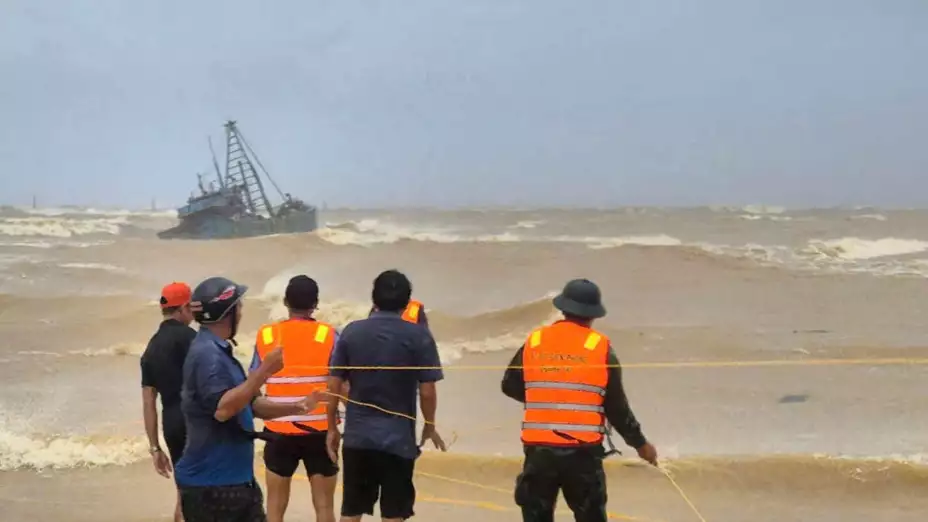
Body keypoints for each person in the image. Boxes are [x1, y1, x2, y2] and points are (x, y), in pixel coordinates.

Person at [500, 278, 659, 522]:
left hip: (539, 452)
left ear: (562, 308)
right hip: (582, 455)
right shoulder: (600, 347)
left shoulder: (536, 340)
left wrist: (548, 398)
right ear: (593, 314)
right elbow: (616, 407)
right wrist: (640, 444)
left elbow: (509, 385)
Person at [174, 276, 323, 522]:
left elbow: (250, 404)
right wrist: (265, 371)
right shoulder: (207, 355)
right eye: (238, 307)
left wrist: (298, 406)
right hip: (213, 485)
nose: (242, 312)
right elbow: (223, 409)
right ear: (226, 312)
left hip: (234, 479)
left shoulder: (218, 350)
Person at [326, 269, 447, 522]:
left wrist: (331, 429)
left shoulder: (351, 332)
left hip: (358, 437)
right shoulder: (419, 335)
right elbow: (427, 390)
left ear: (374, 299)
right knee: (394, 513)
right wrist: (430, 425)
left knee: (351, 511)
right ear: (406, 302)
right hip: (398, 441)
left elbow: (334, 384)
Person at [251, 275, 341, 522]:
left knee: (275, 508)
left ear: (285, 302)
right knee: (324, 508)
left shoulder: (267, 335)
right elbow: (341, 384)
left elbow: (253, 384)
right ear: (316, 304)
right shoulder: (330, 335)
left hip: (278, 431)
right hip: (320, 431)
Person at [140, 282, 197, 522]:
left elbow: (149, 403)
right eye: (191, 307)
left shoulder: (151, 348)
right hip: (195, 422)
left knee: (184, 492)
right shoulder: (192, 339)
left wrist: (155, 448)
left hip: (171, 423)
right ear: (184, 307)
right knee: (200, 494)